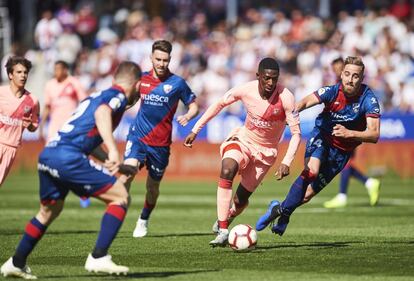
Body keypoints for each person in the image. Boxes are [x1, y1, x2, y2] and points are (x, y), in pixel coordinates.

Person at [0, 61, 142, 279]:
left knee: (49, 211)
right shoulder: (118, 96)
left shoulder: (96, 95)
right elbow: (103, 113)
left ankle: (16, 262)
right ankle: (98, 256)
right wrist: (114, 151)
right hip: (68, 157)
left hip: (49, 154)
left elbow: (91, 140)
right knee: (120, 197)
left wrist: (111, 162)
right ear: (137, 84)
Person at [256, 56, 381, 236]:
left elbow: (374, 134)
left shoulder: (369, 100)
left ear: (361, 78)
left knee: (306, 196)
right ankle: (283, 214)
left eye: (355, 76)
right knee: (311, 171)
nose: (350, 79)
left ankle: (281, 211)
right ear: (342, 75)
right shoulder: (331, 91)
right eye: (347, 74)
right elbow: (306, 102)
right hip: (322, 136)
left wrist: (350, 133)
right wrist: (290, 114)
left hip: (341, 154)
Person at [184, 57, 301, 247]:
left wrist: (287, 161)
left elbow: (296, 133)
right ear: (258, 76)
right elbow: (219, 104)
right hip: (243, 140)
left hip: (266, 154)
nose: (271, 83)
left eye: (274, 78)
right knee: (227, 169)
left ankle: (228, 216)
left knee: (240, 201)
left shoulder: (286, 97)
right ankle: (223, 230)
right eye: (266, 78)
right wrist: (196, 129)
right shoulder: (246, 89)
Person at [122, 40, 199, 238]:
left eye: (165, 60)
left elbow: (194, 105)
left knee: (152, 187)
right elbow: (131, 101)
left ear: (170, 60)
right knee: (126, 174)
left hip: (161, 145)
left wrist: (188, 116)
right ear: (151, 58)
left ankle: (143, 219)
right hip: (138, 136)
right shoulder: (142, 79)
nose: (161, 63)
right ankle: (117, 212)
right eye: (158, 59)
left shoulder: (177, 83)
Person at [324, 57, 380, 208]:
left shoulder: (352, 85)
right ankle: (368, 182)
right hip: (340, 129)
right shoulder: (339, 84)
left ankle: (343, 195)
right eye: (334, 68)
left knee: (345, 161)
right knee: (342, 162)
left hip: (350, 130)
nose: (336, 70)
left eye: (338, 67)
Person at [38, 60, 91, 208]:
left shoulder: (73, 82)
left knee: (74, 159)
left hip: (70, 128)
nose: (57, 72)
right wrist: (42, 126)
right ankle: (52, 192)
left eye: (59, 69)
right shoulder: (50, 85)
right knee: (48, 159)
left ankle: (82, 191)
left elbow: (84, 101)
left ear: (66, 70)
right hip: (54, 127)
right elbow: (47, 107)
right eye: (55, 69)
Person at [0, 56, 39, 187]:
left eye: (25, 72)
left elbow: (34, 126)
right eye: (19, 72)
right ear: (10, 75)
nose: (23, 75)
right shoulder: (1, 92)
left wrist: (29, 127)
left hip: (11, 148)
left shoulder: (32, 100)